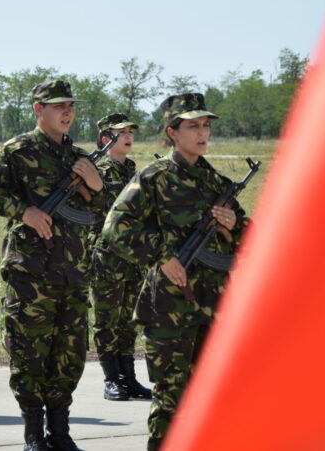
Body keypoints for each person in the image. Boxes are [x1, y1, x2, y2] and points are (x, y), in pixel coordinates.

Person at [101, 93, 249, 451]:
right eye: (193, 126)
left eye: (206, 125)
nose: (202, 133)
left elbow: (251, 239)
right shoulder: (153, 178)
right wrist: (162, 256)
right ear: (172, 132)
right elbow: (115, 229)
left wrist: (235, 225)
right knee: (171, 402)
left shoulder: (215, 182)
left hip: (213, 306)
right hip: (169, 309)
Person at [0, 79, 106, 451]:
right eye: (58, 105)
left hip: (74, 273)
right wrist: (23, 211)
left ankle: (60, 432)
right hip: (31, 272)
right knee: (30, 354)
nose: (67, 112)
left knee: (70, 354)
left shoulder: (80, 158)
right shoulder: (18, 150)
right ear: (38, 109)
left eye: (71, 106)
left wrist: (96, 187)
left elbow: (102, 216)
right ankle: (33, 433)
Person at [87, 113, 152, 402]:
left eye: (130, 132)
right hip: (107, 255)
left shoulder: (132, 170)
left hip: (133, 256)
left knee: (129, 319)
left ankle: (129, 378)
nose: (128, 136)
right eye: (121, 132)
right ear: (105, 139)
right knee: (107, 319)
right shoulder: (96, 171)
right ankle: (111, 379)